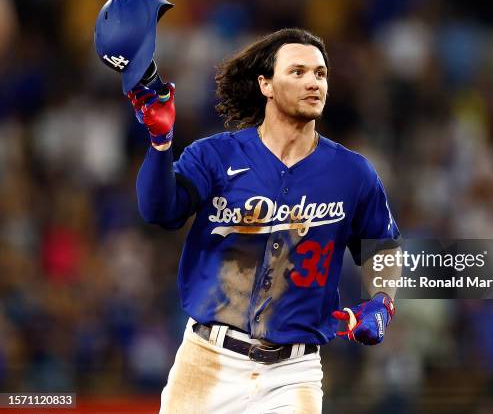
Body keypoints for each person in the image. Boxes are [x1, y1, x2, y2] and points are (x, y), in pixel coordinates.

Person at [128, 28, 401, 413]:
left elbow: (384, 247)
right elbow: (158, 210)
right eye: (298, 72)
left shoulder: (353, 173)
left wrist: (382, 303)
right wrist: (160, 142)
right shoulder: (216, 155)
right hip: (207, 360)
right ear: (266, 85)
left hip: (294, 373)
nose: (313, 82)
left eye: (320, 74)